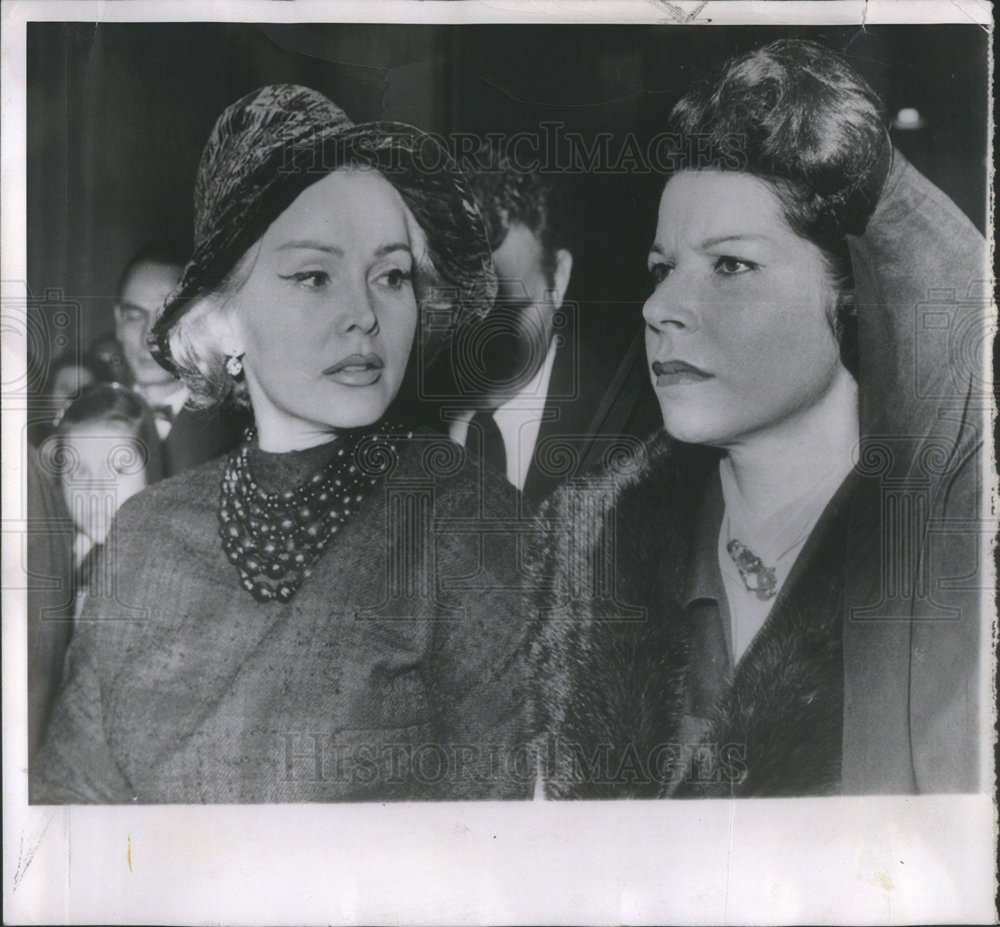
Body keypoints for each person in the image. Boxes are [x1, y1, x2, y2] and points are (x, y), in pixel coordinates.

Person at [32, 85, 530, 803]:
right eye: (314, 276)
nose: (364, 314)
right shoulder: (146, 534)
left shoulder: (469, 525)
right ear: (224, 322)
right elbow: (68, 813)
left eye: (390, 275)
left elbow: (495, 856)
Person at [528, 41, 986, 797]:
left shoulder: (940, 557)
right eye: (661, 268)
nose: (660, 308)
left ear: (851, 292)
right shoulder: (581, 553)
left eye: (731, 266)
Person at [442, 144, 659, 510]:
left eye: (510, 310)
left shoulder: (635, 436)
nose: (482, 338)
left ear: (558, 278)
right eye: (462, 310)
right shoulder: (394, 418)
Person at [110, 242, 249, 475]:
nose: (147, 337)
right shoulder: (92, 416)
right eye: (134, 317)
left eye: (165, 319)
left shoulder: (233, 435)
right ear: (117, 321)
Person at [50, 383, 163, 613]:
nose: (95, 491)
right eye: (79, 471)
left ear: (151, 476)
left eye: (117, 469)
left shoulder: (160, 572)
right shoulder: (53, 557)